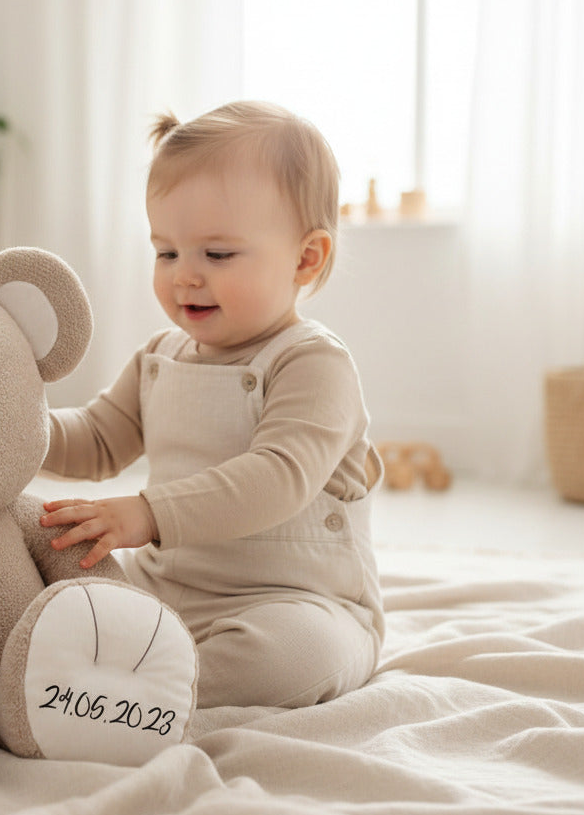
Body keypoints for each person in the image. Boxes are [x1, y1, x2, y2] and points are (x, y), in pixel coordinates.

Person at [39, 101, 384, 710]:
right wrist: (20, 429)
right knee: (50, 575)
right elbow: (96, 438)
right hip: (166, 587)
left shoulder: (311, 363)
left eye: (216, 255)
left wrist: (146, 514)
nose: (184, 277)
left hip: (294, 600)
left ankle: (142, 692)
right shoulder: (161, 355)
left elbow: (276, 478)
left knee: (294, 657)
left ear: (307, 258)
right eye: (167, 252)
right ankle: (108, 669)